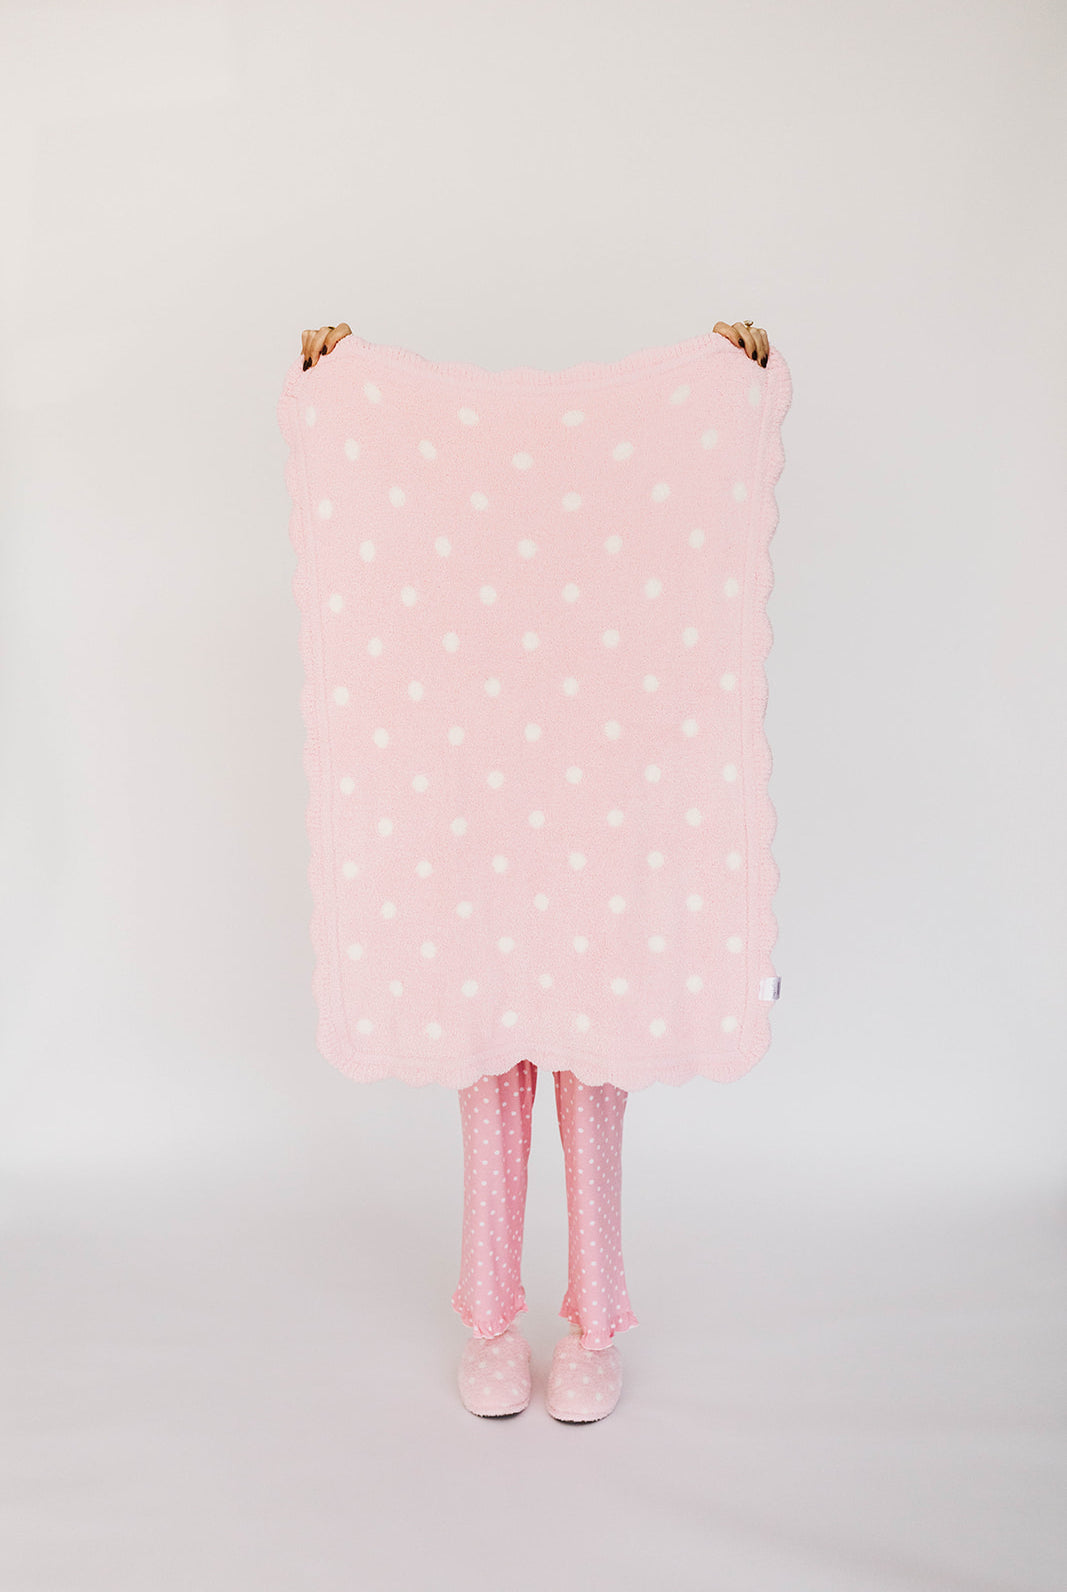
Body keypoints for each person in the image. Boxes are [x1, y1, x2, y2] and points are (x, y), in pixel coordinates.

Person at [291, 318, 773, 1423]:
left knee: (589, 1081)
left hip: (589, 815)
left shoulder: (602, 558)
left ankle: (594, 1325)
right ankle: (491, 1320)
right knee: (485, 1077)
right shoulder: (465, 565)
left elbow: (675, 526)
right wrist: (339, 389)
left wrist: (726, 382)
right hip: (477, 819)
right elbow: (397, 523)